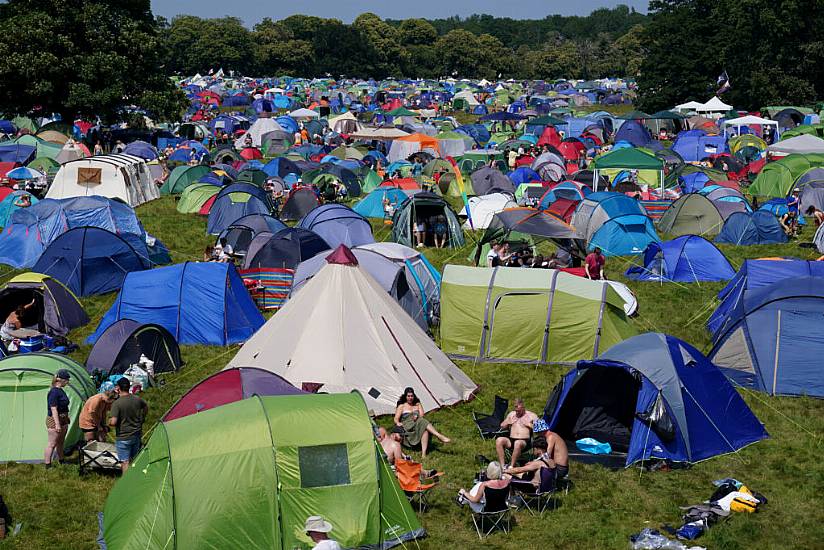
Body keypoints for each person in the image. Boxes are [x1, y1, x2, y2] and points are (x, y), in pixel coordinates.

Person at [393, 387, 450, 458]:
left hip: (416, 422)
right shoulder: (402, 406)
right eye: (408, 396)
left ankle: (423, 454)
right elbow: (396, 418)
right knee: (422, 421)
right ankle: (439, 435)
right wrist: (398, 423)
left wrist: (417, 415)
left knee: (424, 430)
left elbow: (422, 415)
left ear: (414, 396)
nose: (410, 398)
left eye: (412, 396)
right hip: (407, 424)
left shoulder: (417, 404)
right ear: (405, 396)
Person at [108, 377, 148, 472]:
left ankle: (126, 484)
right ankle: (135, 478)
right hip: (136, 435)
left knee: (125, 462)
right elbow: (146, 406)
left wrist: (109, 422)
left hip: (123, 437)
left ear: (118, 388)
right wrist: (143, 417)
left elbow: (113, 422)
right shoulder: (137, 399)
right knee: (134, 459)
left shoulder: (117, 404)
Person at [495, 398, 538, 469]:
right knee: (499, 440)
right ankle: (503, 466)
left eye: (519, 411)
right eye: (516, 411)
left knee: (517, 443)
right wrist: (507, 423)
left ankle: (511, 466)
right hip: (511, 440)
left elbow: (539, 429)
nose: (517, 413)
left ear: (523, 408)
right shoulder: (512, 414)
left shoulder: (532, 416)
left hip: (524, 442)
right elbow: (502, 426)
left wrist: (529, 425)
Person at [44, 369, 72, 467]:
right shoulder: (54, 392)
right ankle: (48, 465)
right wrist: (57, 424)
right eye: (67, 380)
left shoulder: (60, 391)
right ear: (60, 380)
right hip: (55, 420)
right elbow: (53, 409)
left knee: (60, 442)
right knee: (52, 444)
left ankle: (61, 460)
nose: (68, 382)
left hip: (63, 419)